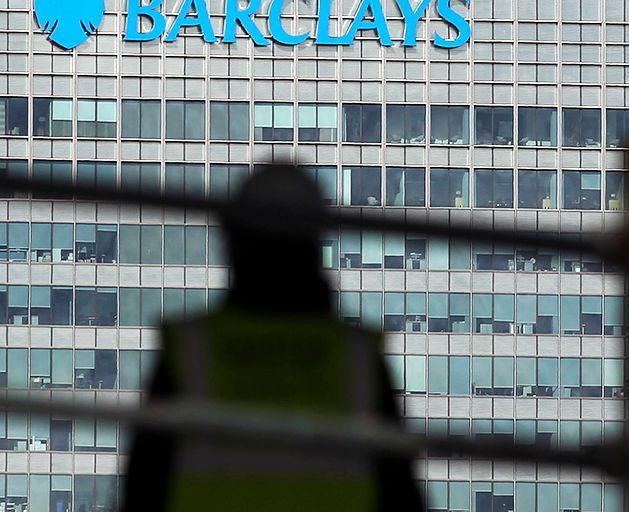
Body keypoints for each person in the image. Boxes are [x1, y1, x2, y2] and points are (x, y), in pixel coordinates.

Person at [122, 166, 423, 512]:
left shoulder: (192, 353)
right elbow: (401, 495)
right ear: (314, 244)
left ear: (234, 241)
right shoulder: (356, 360)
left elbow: (142, 491)